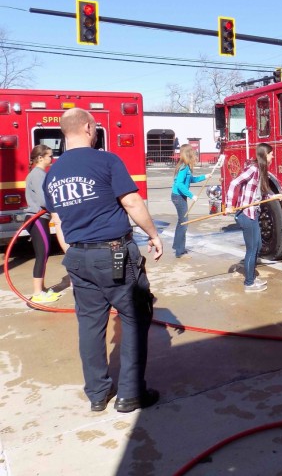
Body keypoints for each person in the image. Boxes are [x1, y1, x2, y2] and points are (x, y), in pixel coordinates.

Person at [43, 108, 163, 413]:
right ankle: (130, 394)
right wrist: (153, 234)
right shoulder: (106, 159)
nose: (96, 132)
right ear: (87, 127)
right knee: (135, 317)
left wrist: (73, 253)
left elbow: (57, 222)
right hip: (114, 252)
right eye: (95, 127)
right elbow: (131, 200)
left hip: (78, 257)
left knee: (90, 325)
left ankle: (97, 393)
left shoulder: (52, 174)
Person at [225, 143, 279, 293]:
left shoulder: (262, 171)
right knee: (252, 248)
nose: (273, 156)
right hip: (245, 214)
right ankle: (249, 283)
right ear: (265, 155)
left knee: (259, 246)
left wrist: (276, 196)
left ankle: (252, 278)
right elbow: (234, 183)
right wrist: (229, 204)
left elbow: (262, 192)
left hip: (253, 213)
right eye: (271, 154)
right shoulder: (253, 169)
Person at [24, 144, 60, 304]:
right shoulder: (38, 174)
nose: (51, 159)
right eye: (49, 156)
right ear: (40, 158)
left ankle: (42, 289)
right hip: (36, 218)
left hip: (39, 218)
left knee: (43, 254)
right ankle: (37, 292)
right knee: (42, 254)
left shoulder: (37, 173)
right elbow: (43, 200)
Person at [171, 144, 211, 258]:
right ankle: (179, 251)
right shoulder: (184, 167)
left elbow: (191, 179)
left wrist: (205, 176)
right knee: (183, 223)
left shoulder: (186, 167)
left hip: (180, 196)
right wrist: (191, 195)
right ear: (188, 154)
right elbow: (179, 184)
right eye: (193, 153)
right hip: (178, 196)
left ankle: (179, 248)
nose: (194, 154)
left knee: (182, 222)